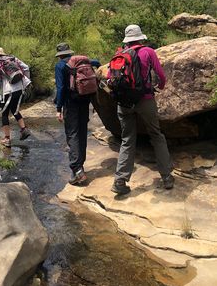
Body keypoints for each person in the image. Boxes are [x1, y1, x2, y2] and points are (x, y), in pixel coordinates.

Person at [111, 24, 174, 195]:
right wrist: (159, 86)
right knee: (156, 135)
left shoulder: (119, 55)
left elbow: (112, 78)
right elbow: (161, 75)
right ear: (140, 38)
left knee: (127, 139)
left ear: (127, 40)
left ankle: (120, 181)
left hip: (124, 103)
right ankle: (167, 177)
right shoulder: (148, 52)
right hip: (145, 100)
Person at [54, 42, 100, 185]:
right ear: (70, 53)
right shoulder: (83, 62)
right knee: (82, 133)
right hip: (85, 101)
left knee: (72, 134)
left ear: (59, 55)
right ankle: (80, 167)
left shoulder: (60, 66)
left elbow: (61, 88)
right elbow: (97, 62)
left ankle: (77, 170)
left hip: (71, 104)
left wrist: (58, 108)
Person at [0, 47, 31, 147]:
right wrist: (25, 81)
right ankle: (24, 129)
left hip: (7, 91)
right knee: (14, 109)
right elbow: (26, 68)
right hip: (19, 89)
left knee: (4, 114)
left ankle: (7, 139)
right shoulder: (14, 59)